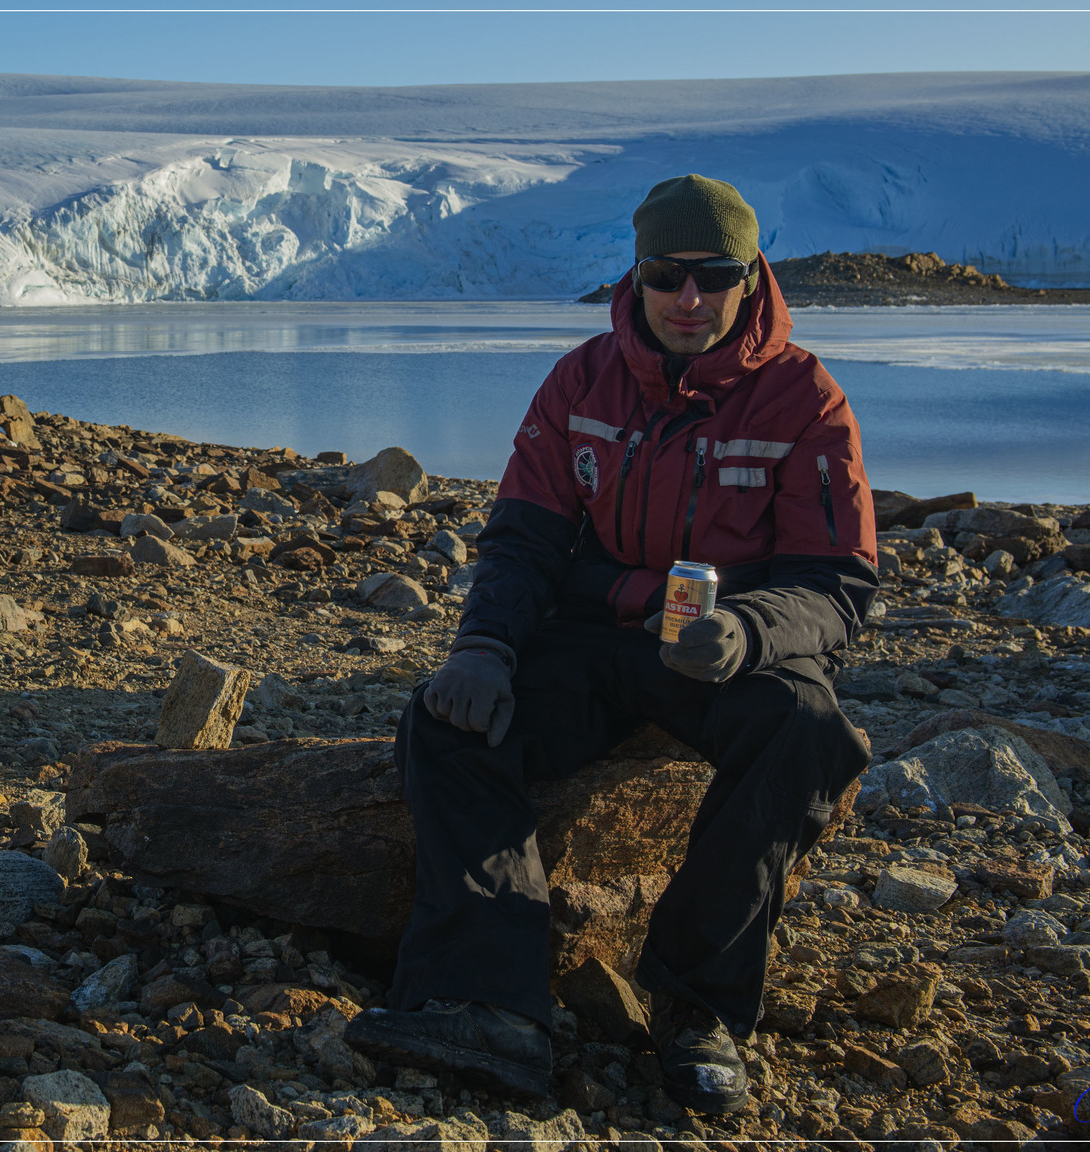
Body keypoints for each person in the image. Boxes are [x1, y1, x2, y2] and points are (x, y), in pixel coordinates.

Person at [343, 174, 878, 1115]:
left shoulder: (804, 400)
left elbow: (835, 583)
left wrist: (750, 632)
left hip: (725, 652)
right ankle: (488, 1002)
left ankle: (696, 1007)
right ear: (635, 275)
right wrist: (483, 650)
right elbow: (522, 539)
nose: (688, 300)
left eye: (714, 278)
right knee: (449, 724)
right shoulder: (582, 380)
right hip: (592, 640)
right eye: (668, 275)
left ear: (749, 280)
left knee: (809, 733)